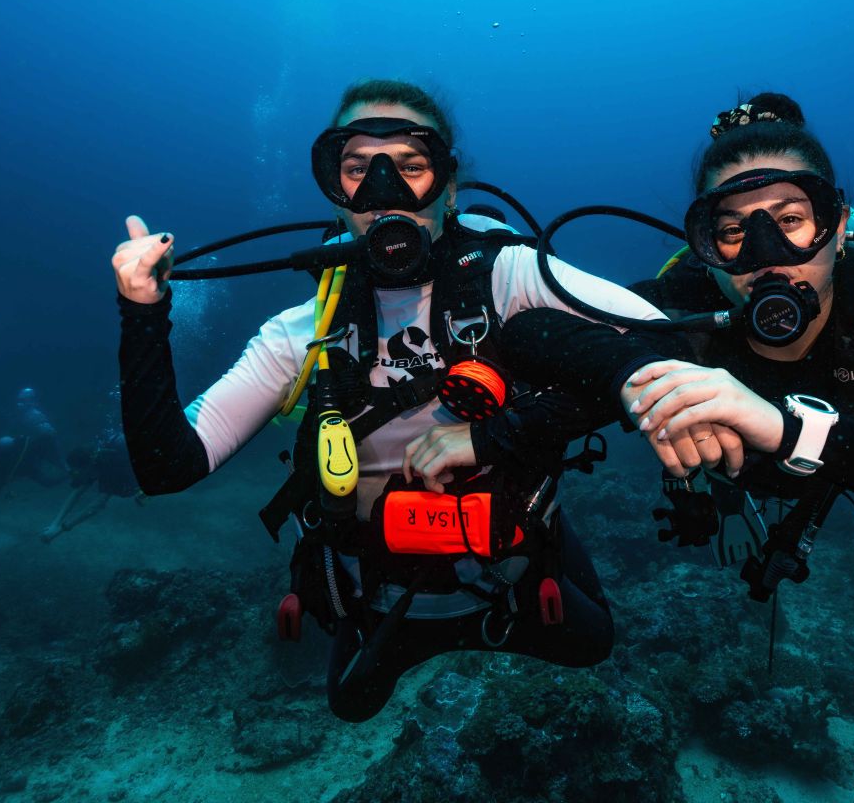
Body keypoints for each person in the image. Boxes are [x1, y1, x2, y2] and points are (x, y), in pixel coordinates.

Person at [113, 79, 668, 722]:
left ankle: (551, 536)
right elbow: (166, 465)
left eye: (410, 166)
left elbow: (669, 348)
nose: (383, 192)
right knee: (353, 705)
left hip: (509, 577)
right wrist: (142, 314)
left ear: (449, 186)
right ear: (333, 188)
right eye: (357, 169)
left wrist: (500, 435)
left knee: (593, 646)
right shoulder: (303, 332)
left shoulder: (513, 276)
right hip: (376, 597)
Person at [508, 94, 854, 600]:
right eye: (734, 231)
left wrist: (788, 431)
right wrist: (637, 369)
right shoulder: (682, 305)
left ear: (836, 229)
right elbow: (529, 331)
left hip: (827, 461)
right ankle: (725, 488)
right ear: (706, 248)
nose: (766, 256)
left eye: (791, 220)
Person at [40, 430, 141, 543]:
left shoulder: (112, 464)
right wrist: (55, 523)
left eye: (78, 471)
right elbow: (77, 492)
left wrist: (60, 530)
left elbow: (95, 506)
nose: (77, 475)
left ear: (87, 466)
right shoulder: (93, 459)